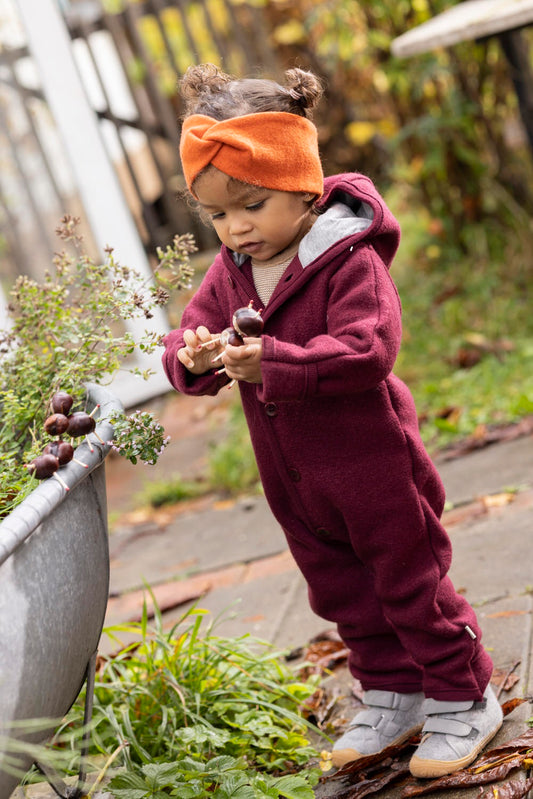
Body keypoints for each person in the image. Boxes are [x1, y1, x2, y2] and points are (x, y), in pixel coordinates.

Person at [162, 63, 503, 779]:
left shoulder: (347, 259)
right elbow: (189, 338)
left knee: (407, 578)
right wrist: (193, 355)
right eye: (219, 214)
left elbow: (367, 350)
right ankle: (392, 690)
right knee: (338, 586)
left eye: (251, 204)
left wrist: (274, 363)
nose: (236, 227)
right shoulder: (230, 269)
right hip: (295, 480)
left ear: (301, 184)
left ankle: (462, 691)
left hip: (371, 464)